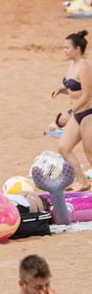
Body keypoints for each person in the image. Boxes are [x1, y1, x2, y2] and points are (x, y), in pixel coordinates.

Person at [52, 30, 92, 190]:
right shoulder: (72, 64)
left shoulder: (85, 66)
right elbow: (74, 86)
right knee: (64, 148)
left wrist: (68, 112)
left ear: (77, 49)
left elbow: (87, 95)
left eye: (67, 48)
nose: (64, 50)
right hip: (78, 114)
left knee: (90, 153)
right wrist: (61, 89)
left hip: (89, 114)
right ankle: (83, 182)